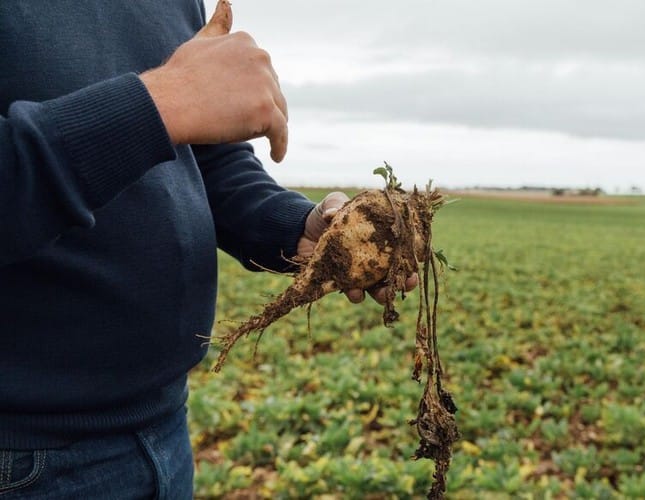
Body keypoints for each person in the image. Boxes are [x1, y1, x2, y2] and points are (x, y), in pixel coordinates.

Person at [0, 1, 414, 497]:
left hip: (165, 430)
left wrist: (299, 227)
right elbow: (166, 110)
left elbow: (205, 158)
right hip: (23, 458)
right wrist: (165, 99)